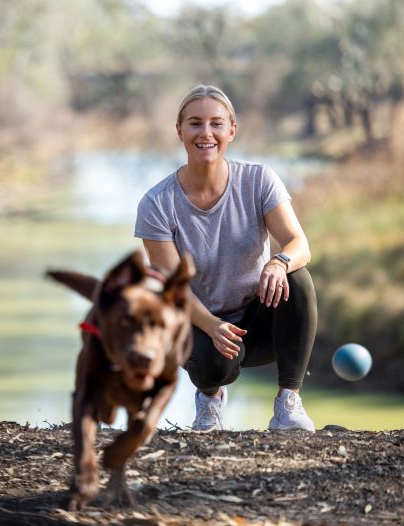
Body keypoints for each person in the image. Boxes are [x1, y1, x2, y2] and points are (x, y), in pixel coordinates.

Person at [134, 84, 317, 432]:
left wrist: (278, 263)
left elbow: (299, 244)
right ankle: (209, 398)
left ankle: (287, 404)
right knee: (212, 363)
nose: (206, 133)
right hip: (200, 325)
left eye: (216, 123)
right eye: (195, 123)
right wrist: (211, 325)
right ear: (180, 130)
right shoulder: (156, 204)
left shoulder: (258, 180)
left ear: (231, 130)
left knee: (297, 276)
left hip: (258, 321)